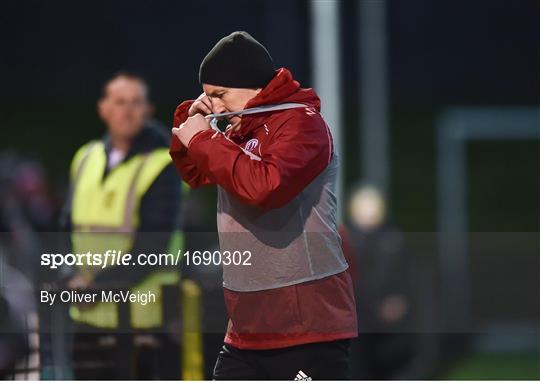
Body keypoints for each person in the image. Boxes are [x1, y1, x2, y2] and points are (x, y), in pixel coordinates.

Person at [170, 31, 357, 380]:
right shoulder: (237, 129)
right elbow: (194, 172)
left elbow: (265, 187)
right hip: (247, 328)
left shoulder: (302, 123)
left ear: (251, 86)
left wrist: (204, 137)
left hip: (306, 327)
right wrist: (189, 122)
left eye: (219, 95)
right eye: (208, 97)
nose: (215, 106)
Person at [61, 73, 186, 379]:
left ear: (148, 110)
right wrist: (68, 276)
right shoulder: (85, 157)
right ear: (103, 108)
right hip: (88, 319)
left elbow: (153, 246)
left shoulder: (163, 164)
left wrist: (96, 289)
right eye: (119, 102)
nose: (127, 111)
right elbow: (66, 227)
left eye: (135, 103)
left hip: (143, 321)